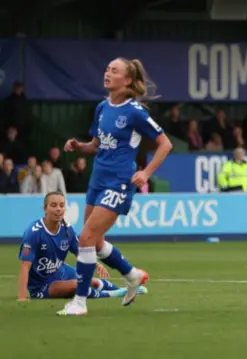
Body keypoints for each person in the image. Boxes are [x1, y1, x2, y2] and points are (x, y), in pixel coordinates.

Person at [59, 57, 173, 316]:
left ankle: (79, 302)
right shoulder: (101, 108)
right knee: (95, 242)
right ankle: (132, 274)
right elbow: (97, 145)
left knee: (85, 238)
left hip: (119, 182)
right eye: (107, 69)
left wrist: (145, 172)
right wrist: (80, 146)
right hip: (97, 179)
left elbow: (165, 144)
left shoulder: (135, 111)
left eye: (114, 70)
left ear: (128, 80)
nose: (107, 73)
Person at [17, 192, 148, 301]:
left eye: (62, 205)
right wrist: (22, 297)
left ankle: (125, 290)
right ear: (45, 208)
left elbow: (80, 251)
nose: (58, 209)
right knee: (78, 285)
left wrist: (97, 264)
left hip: (60, 271)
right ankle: (114, 294)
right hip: (42, 283)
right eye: (53, 205)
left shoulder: (67, 229)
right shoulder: (34, 233)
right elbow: (25, 266)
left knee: (93, 282)